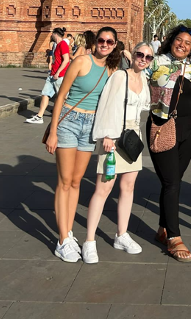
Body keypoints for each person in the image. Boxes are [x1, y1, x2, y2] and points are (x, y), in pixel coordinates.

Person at [45, 26, 123, 262]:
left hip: (91, 127)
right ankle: (62, 239)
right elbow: (61, 96)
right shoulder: (80, 62)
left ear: (115, 45)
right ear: (95, 41)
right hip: (70, 121)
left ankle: (68, 232)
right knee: (65, 181)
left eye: (110, 42)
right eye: (102, 40)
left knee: (77, 181)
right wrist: (53, 131)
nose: (105, 45)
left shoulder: (112, 69)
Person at [82, 42, 153, 262]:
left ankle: (121, 234)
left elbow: (144, 108)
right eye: (140, 54)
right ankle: (89, 241)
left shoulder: (144, 80)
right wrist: (106, 135)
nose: (143, 59)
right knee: (104, 187)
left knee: (128, 186)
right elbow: (105, 105)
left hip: (133, 139)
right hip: (114, 136)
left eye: (148, 57)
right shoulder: (120, 77)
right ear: (132, 55)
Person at [146, 25, 191, 263]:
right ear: (171, 41)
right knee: (171, 183)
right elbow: (133, 77)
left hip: (188, 133)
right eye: (178, 40)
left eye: (187, 43)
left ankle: (162, 229)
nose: (182, 45)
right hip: (162, 129)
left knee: (174, 182)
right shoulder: (154, 62)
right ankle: (174, 237)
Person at [26, 28, 70, 124]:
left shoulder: (63, 44)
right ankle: (39, 116)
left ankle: (70, 113)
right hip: (52, 75)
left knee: (63, 96)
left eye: (52, 34)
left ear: (55, 34)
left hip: (59, 75)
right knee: (45, 94)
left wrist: (58, 72)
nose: (51, 36)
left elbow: (66, 60)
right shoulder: (57, 45)